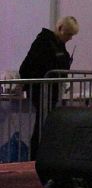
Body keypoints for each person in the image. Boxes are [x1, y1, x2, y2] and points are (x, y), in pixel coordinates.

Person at [19, 16, 79, 159]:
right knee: (42, 125)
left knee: (46, 124)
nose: (70, 38)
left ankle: (43, 155)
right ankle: (35, 157)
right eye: (68, 34)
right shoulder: (43, 42)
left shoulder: (59, 45)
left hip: (51, 91)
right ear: (60, 29)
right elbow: (26, 68)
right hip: (41, 91)